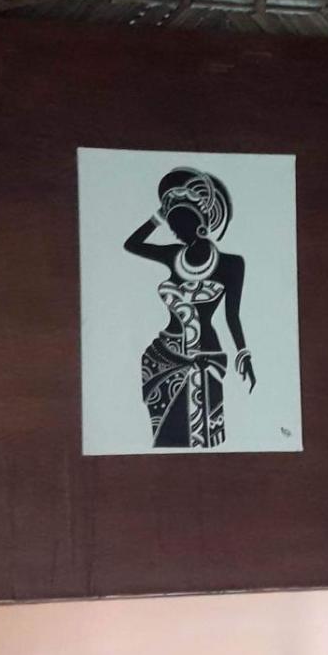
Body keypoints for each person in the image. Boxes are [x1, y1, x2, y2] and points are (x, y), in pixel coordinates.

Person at [124, 168, 255, 450]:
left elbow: (232, 316)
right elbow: (131, 244)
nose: (173, 231)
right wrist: (158, 216)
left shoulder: (232, 264)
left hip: (206, 353)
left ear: (198, 225)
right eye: (171, 224)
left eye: (177, 224)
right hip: (164, 356)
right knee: (165, 436)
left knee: (202, 434)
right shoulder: (173, 254)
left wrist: (243, 354)